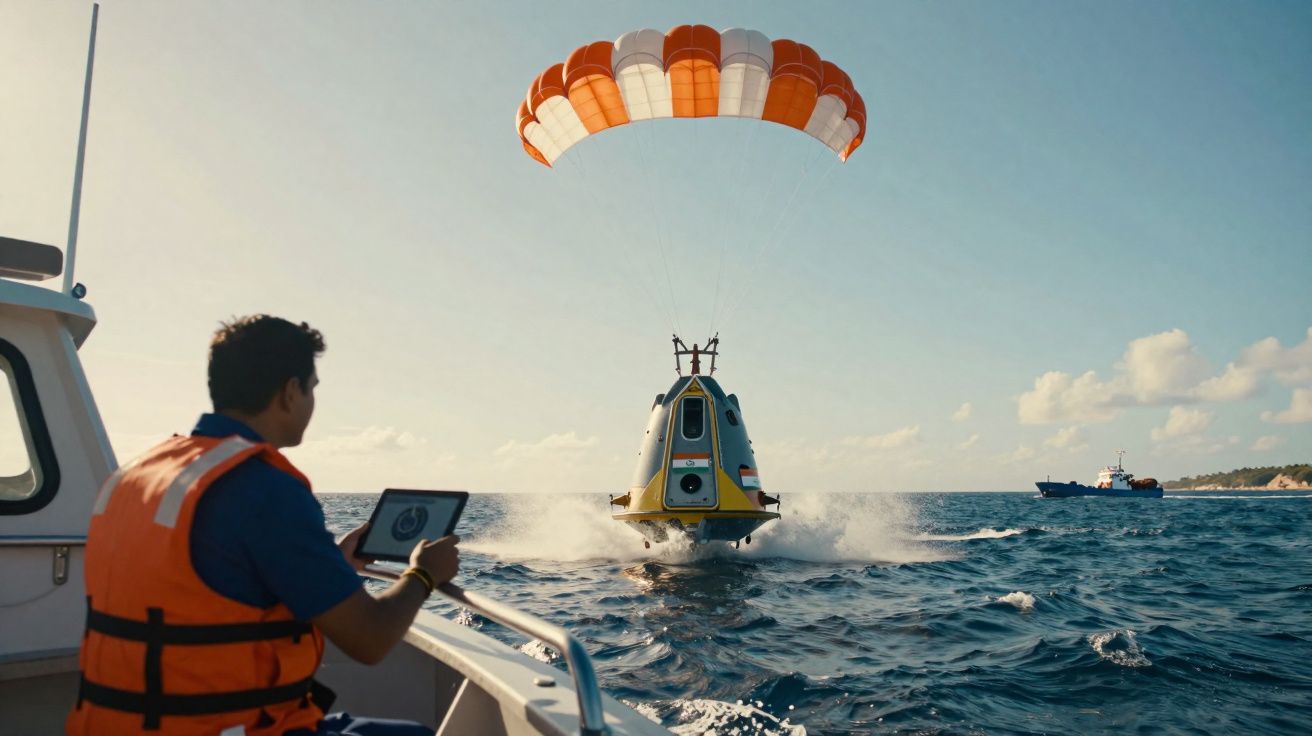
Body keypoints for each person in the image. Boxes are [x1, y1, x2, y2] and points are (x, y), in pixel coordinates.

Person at [68, 315, 458, 736]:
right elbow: (371, 639)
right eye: (312, 389)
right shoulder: (262, 489)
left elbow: (208, 581)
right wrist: (423, 573)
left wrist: (336, 564)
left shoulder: (137, 474)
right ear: (291, 392)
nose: (311, 403)